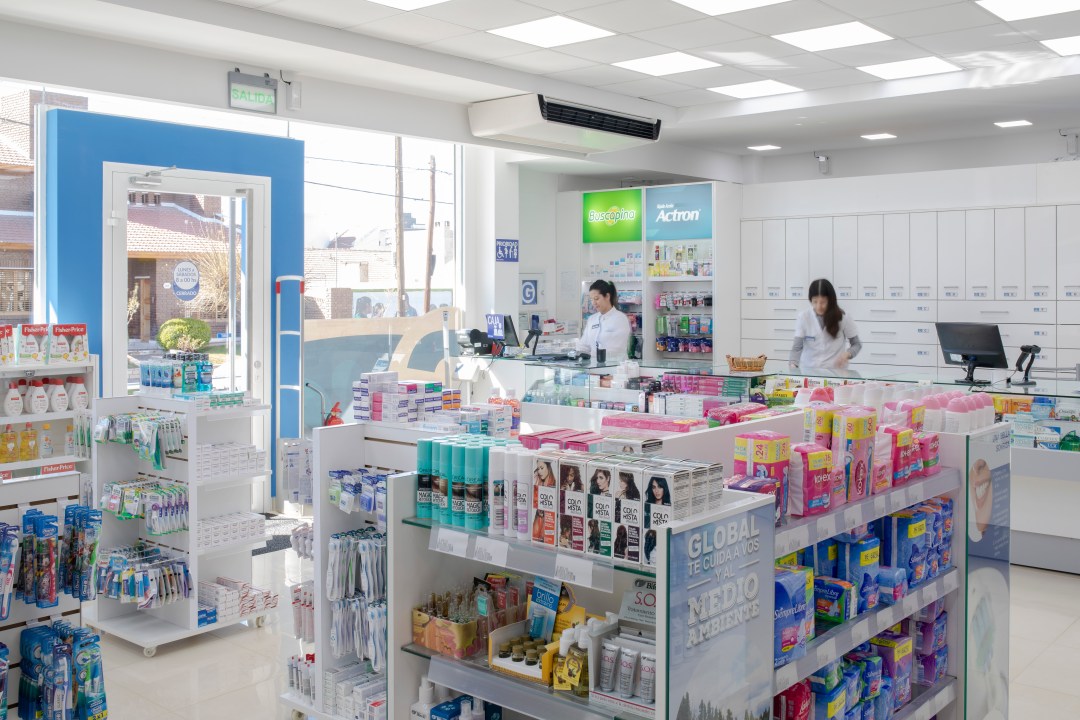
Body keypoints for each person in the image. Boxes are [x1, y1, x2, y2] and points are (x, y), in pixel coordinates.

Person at [790, 278, 862, 369]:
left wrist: (847, 354)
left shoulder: (843, 317)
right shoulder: (804, 317)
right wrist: (793, 365)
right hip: (809, 371)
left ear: (830, 300)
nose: (818, 306)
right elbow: (797, 347)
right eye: (815, 301)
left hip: (835, 372)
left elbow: (856, 344)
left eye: (823, 302)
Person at [576, 279, 631, 362]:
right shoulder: (592, 319)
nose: (593, 303)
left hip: (614, 366)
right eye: (591, 299)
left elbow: (616, 350)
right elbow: (584, 345)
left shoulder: (620, 319)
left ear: (607, 296)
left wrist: (593, 357)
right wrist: (577, 354)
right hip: (594, 366)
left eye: (596, 298)